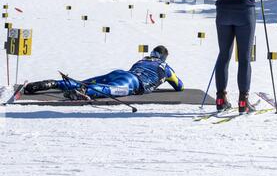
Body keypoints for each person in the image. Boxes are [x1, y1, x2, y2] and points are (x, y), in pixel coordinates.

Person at [24, 45, 184, 100]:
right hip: (133, 83)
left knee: (83, 82)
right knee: (110, 90)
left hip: (119, 73)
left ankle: (52, 83)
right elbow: (179, 86)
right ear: (164, 57)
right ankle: (85, 92)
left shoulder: (142, 59)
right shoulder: (165, 67)